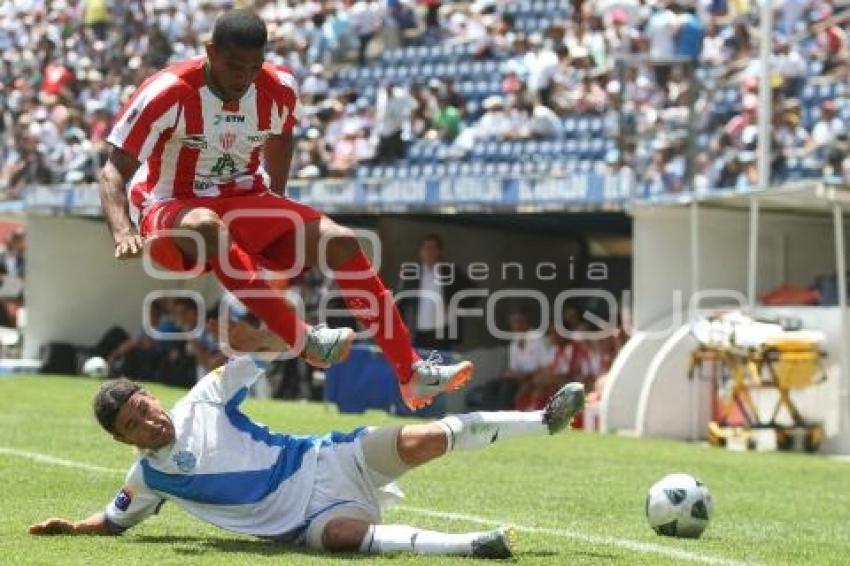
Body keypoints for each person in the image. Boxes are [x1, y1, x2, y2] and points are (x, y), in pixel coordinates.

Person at [98, 9, 471, 410]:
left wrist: (275, 201)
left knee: (341, 242)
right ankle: (303, 338)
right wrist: (122, 232)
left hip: (245, 197)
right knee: (208, 226)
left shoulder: (278, 86)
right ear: (210, 52)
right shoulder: (168, 90)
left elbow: (281, 138)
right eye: (234, 66)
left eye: (253, 67)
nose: (243, 77)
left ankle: (411, 372)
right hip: (172, 204)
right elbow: (112, 172)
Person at [27, 322, 586, 559]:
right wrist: (73, 527)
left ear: (150, 396)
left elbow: (255, 358)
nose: (148, 424)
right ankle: (471, 546)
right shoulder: (149, 478)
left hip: (328, 458)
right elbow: (116, 521)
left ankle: (544, 419)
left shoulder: (201, 396)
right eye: (132, 426)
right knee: (343, 537)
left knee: (428, 437)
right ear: (124, 439)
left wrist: (293, 339)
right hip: (306, 523)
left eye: (143, 409)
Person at [396, 234, 475, 351]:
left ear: (439, 251)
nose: (429, 252)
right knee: (418, 367)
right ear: (420, 251)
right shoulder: (411, 274)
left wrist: (454, 304)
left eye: (433, 248)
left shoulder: (450, 271)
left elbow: (472, 292)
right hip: (417, 334)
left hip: (442, 334)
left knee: (443, 367)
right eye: (426, 248)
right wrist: (402, 330)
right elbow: (399, 303)